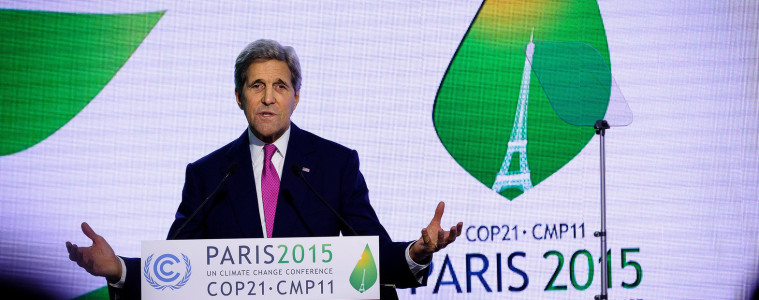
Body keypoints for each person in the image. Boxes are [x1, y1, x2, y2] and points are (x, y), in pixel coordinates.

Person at [66, 39, 463, 299]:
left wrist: (418, 250)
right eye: (256, 86)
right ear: (239, 97)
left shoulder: (336, 164)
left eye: (280, 86)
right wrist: (118, 269)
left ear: (296, 98)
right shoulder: (207, 174)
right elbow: (177, 267)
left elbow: (371, 255)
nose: (269, 98)